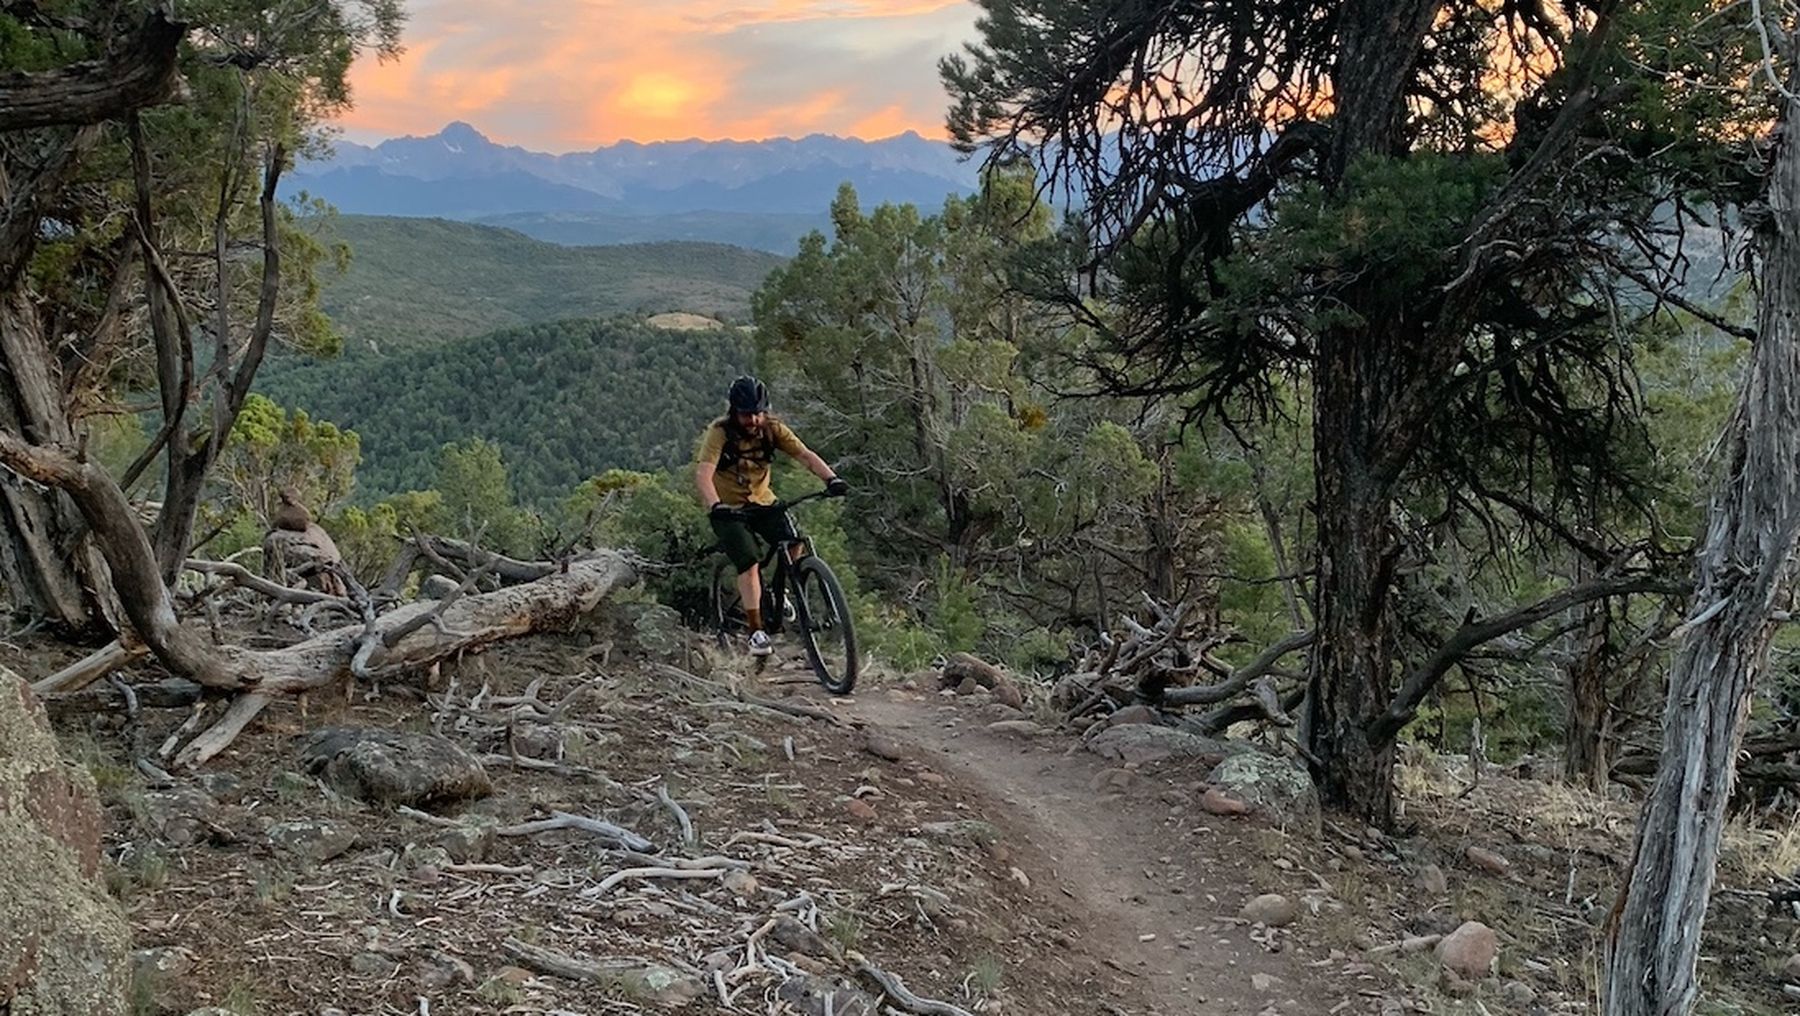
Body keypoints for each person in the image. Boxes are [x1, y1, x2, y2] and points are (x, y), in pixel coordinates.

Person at [695, 375, 847, 656]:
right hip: (729, 510)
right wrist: (715, 505)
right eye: (746, 414)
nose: (753, 419)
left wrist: (831, 479)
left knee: (793, 541)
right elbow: (704, 474)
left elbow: (805, 455)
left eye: (758, 413)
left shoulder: (773, 429)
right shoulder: (719, 432)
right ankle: (756, 631)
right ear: (734, 412)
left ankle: (780, 592)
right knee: (750, 563)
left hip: (764, 503)